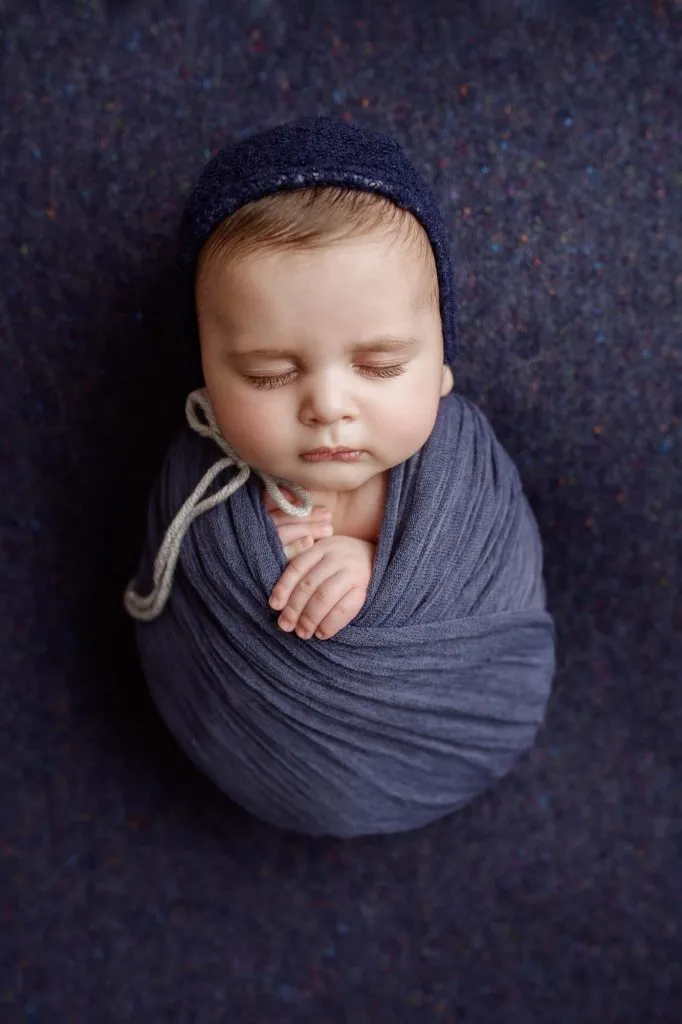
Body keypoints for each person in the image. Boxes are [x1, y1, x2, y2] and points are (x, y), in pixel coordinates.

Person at [194, 181, 454, 642]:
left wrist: (380, 571)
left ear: (439, 374)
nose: (329, 408)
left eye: (382, 367)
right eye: (268, 374)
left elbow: (485, 582)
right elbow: (187, 607)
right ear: (207, 384)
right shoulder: (204, 490)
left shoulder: (460, 483)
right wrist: (246, 552)